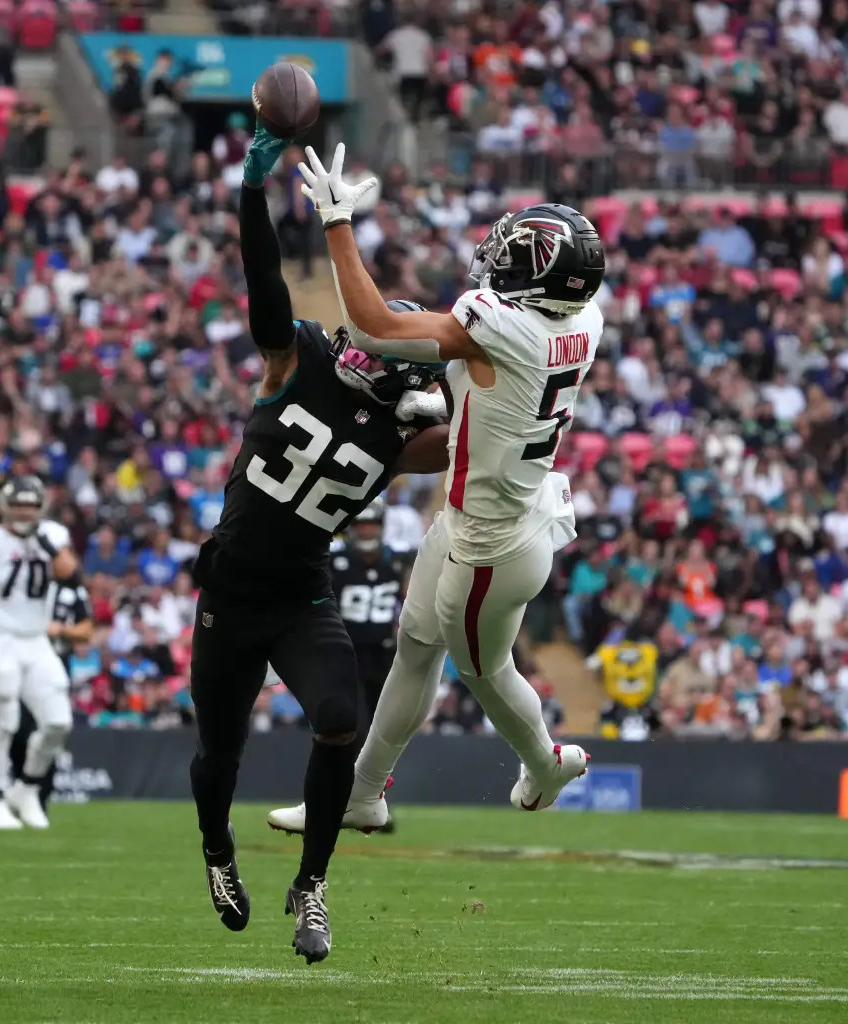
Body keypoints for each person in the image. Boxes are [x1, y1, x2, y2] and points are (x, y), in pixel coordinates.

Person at [187, 123, 449, 965]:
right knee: (218, 753)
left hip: (301, 596)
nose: (355, 339)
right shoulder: (293, 359)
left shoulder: (405, 437)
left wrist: (484, 389)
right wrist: (249, 194)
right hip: (229, 592)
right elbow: (265, 284)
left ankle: (313, 885)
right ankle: (218, 852)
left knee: (341, 720)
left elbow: (504, 427)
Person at [297, 143, 605, 826]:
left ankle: (546, 765)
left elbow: (375, 328)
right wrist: (446, 409)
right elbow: (484, 399)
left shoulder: (504, 328)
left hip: (492, 543)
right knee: (415, 642)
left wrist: (335, 223)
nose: (498, 259)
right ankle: (361, 795)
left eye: (516, 254)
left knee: (484, 672)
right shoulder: (584, 319)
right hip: (495, 509)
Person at [0, 476, 83, 831]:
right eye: (19, 505)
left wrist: (43, 543)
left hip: (36, 639)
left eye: (31, 505)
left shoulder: (51, 536)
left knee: (58, 722)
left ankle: (26, 787)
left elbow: (71, 576)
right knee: (2, 726)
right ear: (6, 507)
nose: (25, 512)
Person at [267, 497, 408, 835]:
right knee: (352, 729)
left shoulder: (395, 563)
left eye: (372, 524)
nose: (368, 531)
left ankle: (368, 802)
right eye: (362, 525)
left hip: (384, 657)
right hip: (347, 653)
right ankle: (339, 801)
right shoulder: (338, 562)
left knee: (381, 735)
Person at [8, 575, 94, 811]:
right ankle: (21, 789)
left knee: (51, 729)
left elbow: (87, 630)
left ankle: (39, 798)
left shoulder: (72, 590)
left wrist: (62, 629)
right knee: (18, 731)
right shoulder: (22, 580)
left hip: (55, 662)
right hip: (21, 663)